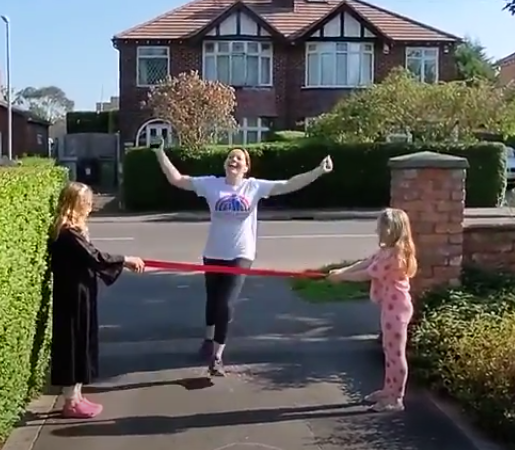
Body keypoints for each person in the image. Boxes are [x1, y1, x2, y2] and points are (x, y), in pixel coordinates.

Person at [154, 141, 333, 376]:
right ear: (225, 163)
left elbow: (289, 184)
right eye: (230, 156)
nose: (234, 160)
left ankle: (217, 356)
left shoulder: (254, 187)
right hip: (214, 252)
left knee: (226, 304)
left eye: (239, 158)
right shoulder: (210, 184)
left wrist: (318, 171)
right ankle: (208, 340)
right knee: (213, 299)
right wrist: (160, 153)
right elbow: (177, 179)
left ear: (246, 167)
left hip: (241, 254)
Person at [48, 181, 145, 418]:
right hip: (72, 296)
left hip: (79, 293)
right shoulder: (68, 233)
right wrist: (126, 259)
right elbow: (95, 257)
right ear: (75, 205)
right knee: (73, 344)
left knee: (82, 342)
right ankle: (70, 401)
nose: (90, 208)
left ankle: (77, 396)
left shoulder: (72, 231)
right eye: (86, 204)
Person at [327, 208, 416, 412]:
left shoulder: (395, 256)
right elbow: (366, 262)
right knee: (388, 350)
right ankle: (388, 390)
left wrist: (341, 278)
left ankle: (396, 399)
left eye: (381, 227)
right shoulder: (386, 250)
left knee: (396, 354)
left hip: (398, 310)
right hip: (390, 306)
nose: (377, 231)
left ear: (391, 229)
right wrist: (341, 271)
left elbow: (367, 273)